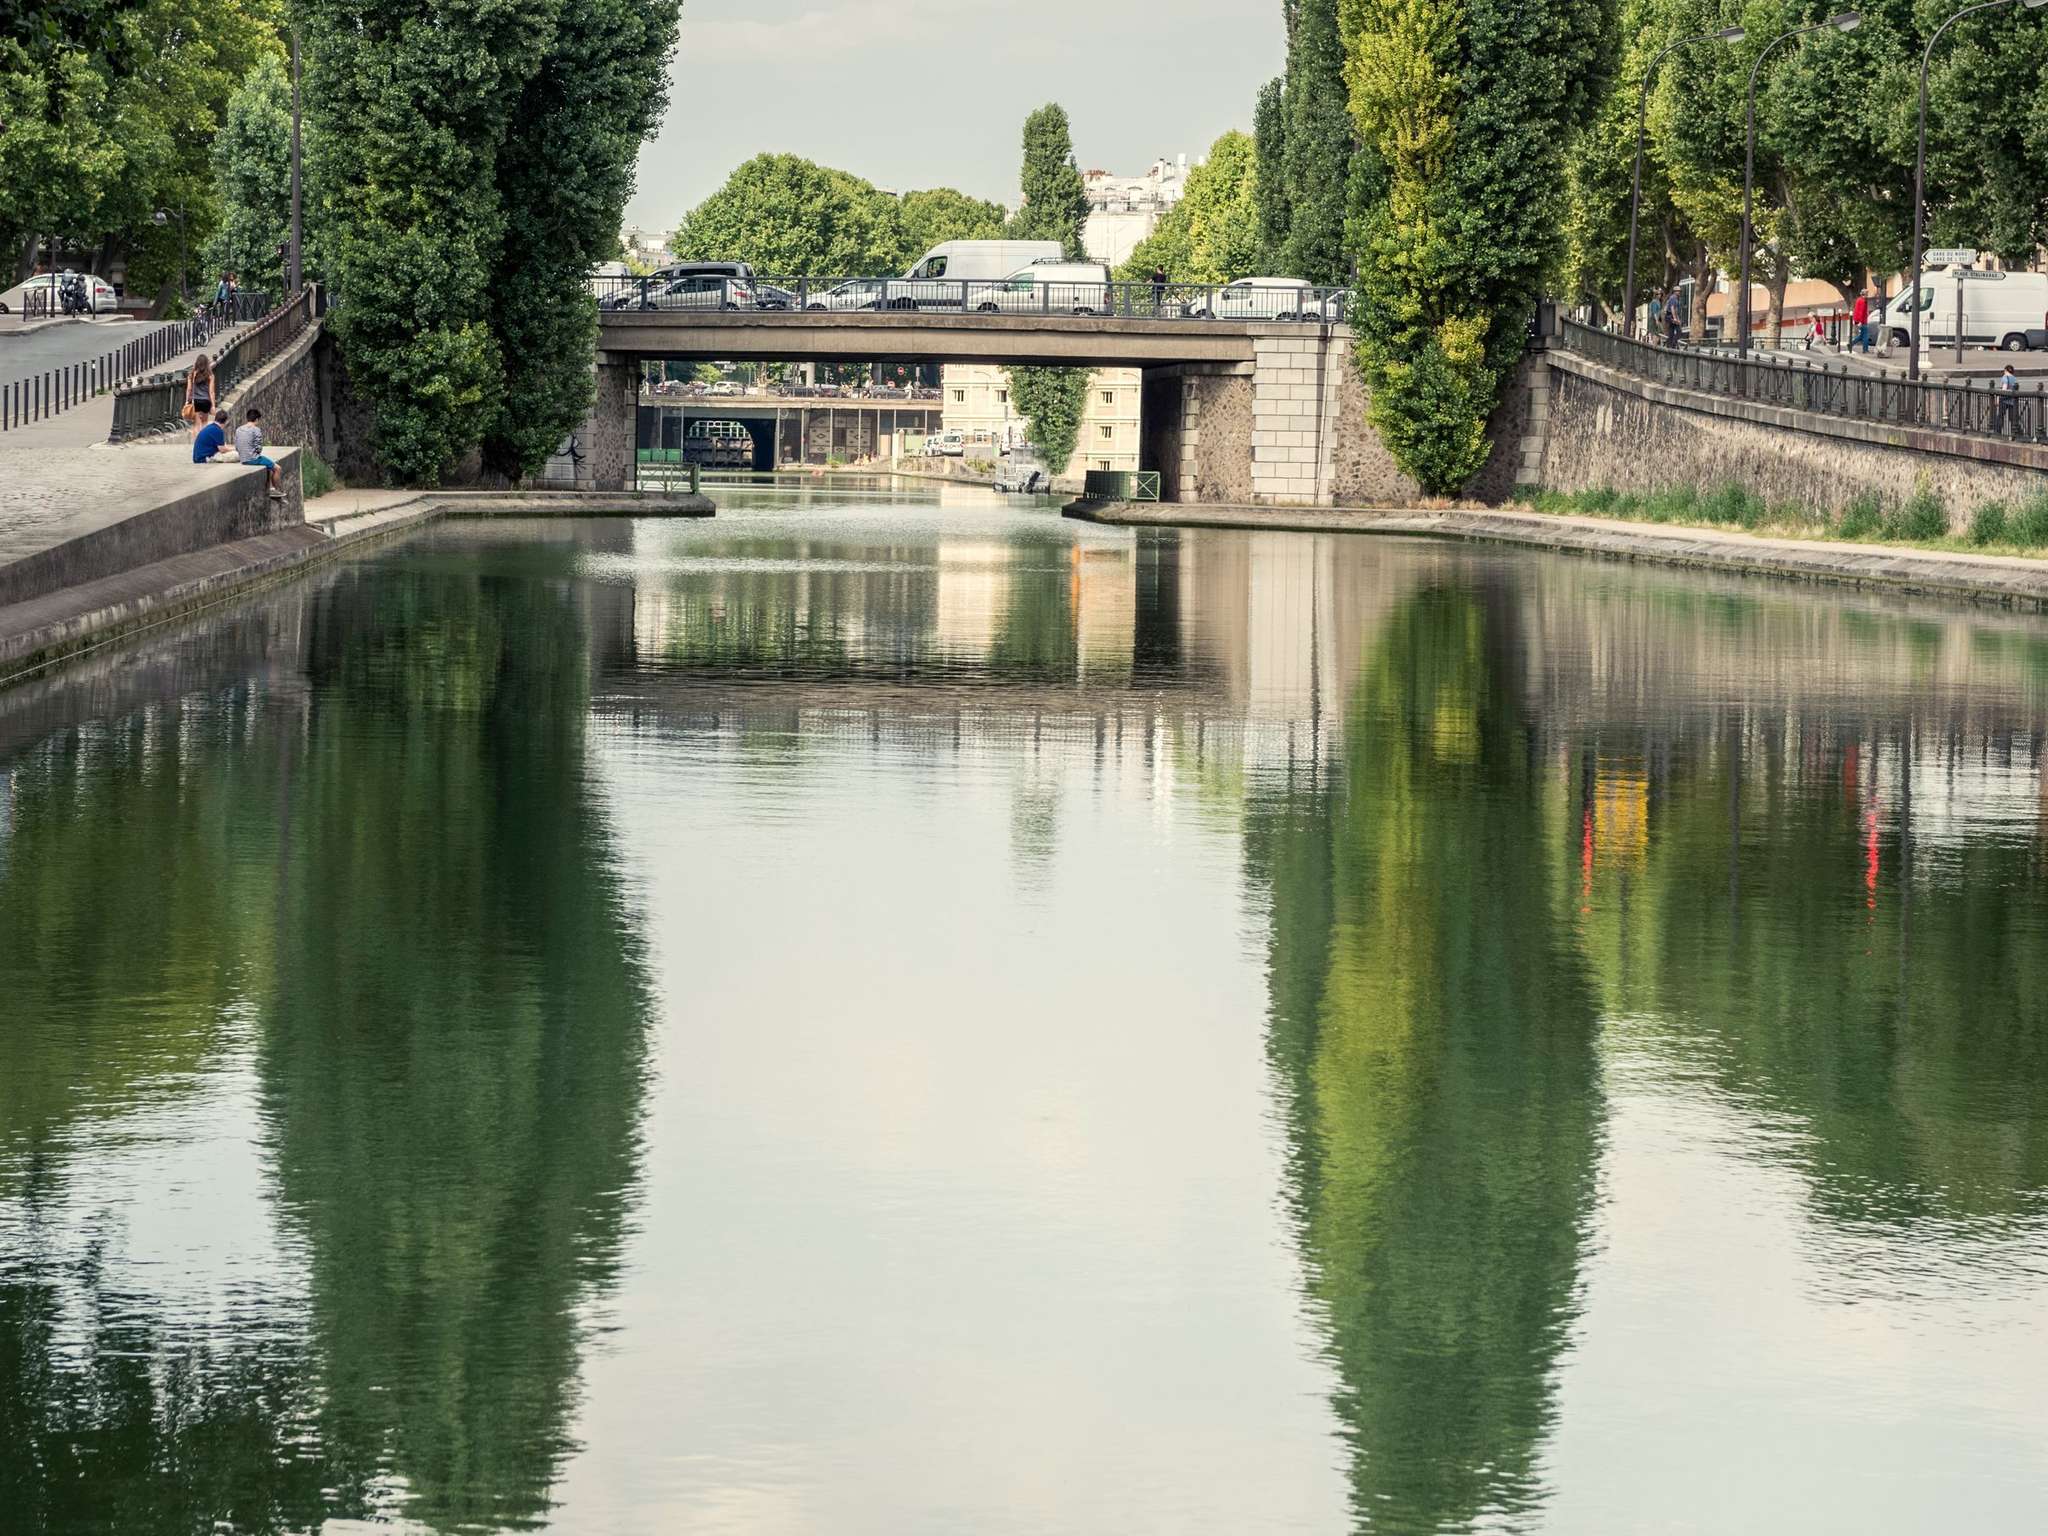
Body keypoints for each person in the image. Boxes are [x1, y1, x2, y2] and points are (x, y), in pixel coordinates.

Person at [234, 407, 286, 498]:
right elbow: (258, 448)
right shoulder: (256, 430)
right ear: (257, 419)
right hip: (253, 459)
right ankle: (274, 490)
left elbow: (237, 446)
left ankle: (270, 488)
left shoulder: (238, 429)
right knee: (277, 468)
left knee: (268, 466)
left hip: (242, 458)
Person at [186, 353, 214, 438]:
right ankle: (203, 442)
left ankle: (196, 443)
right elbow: (211, 391)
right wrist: (213, 405)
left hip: (196, 401)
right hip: (206, 401)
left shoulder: (192, 375)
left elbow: (189, 389)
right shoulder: (210, 375)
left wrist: (187, 401)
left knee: (196, 424)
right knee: (205, 422)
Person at [1995, 363, 2023, 437]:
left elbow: (2004, 388)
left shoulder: (2005, 377)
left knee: (2000, 416)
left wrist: (1998, 398)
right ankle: (2015, 432)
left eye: (2004, 371)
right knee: (2012, 418)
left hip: (2004, 399)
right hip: (2012, 400)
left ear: (2005, 370)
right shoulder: (2014, 378)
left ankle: (1997, 431)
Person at [1850, 289, 1871, 353]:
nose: (1868, 295)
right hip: (1863, 321)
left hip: (1859, 320)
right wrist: (1860, 321)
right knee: (1866, 336)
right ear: (1865, 294)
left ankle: (1850, 344)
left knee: (1862, 335)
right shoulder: (1863, 301)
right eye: (1867, 294)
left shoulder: (1859, 300)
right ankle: (1865, 350)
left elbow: (1857, 311)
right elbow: (1861, 312)